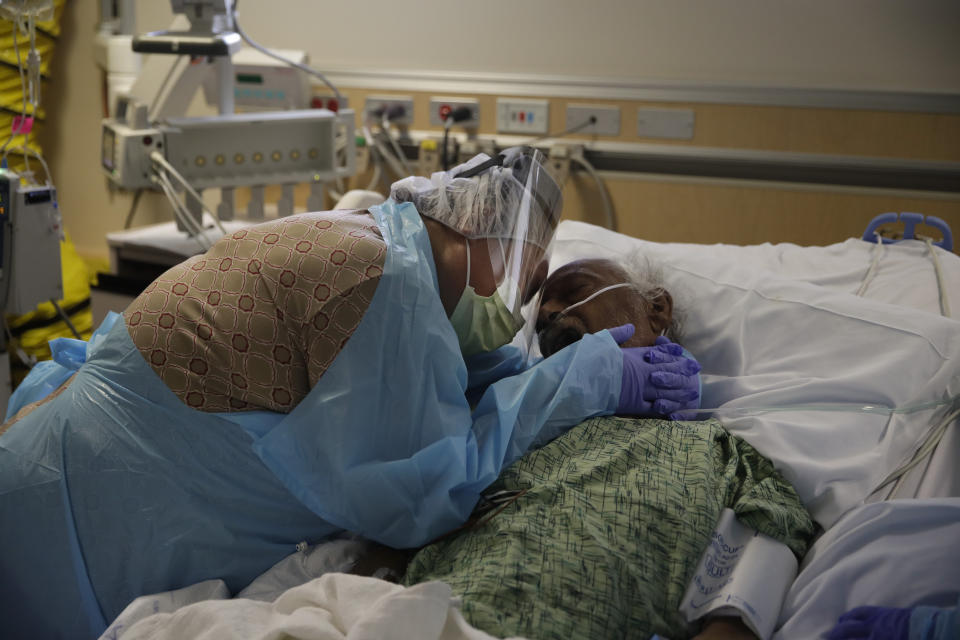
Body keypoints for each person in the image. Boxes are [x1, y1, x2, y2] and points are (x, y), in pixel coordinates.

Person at [0, 147, 701, 638]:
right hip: (75, 529)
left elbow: (443, 384)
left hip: (56, 474)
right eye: (532, 276)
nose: (527, 307)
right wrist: (588, 377)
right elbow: (423, 491)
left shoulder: (379, 245)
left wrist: (551, 375)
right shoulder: (387, 284)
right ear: (480, 238)